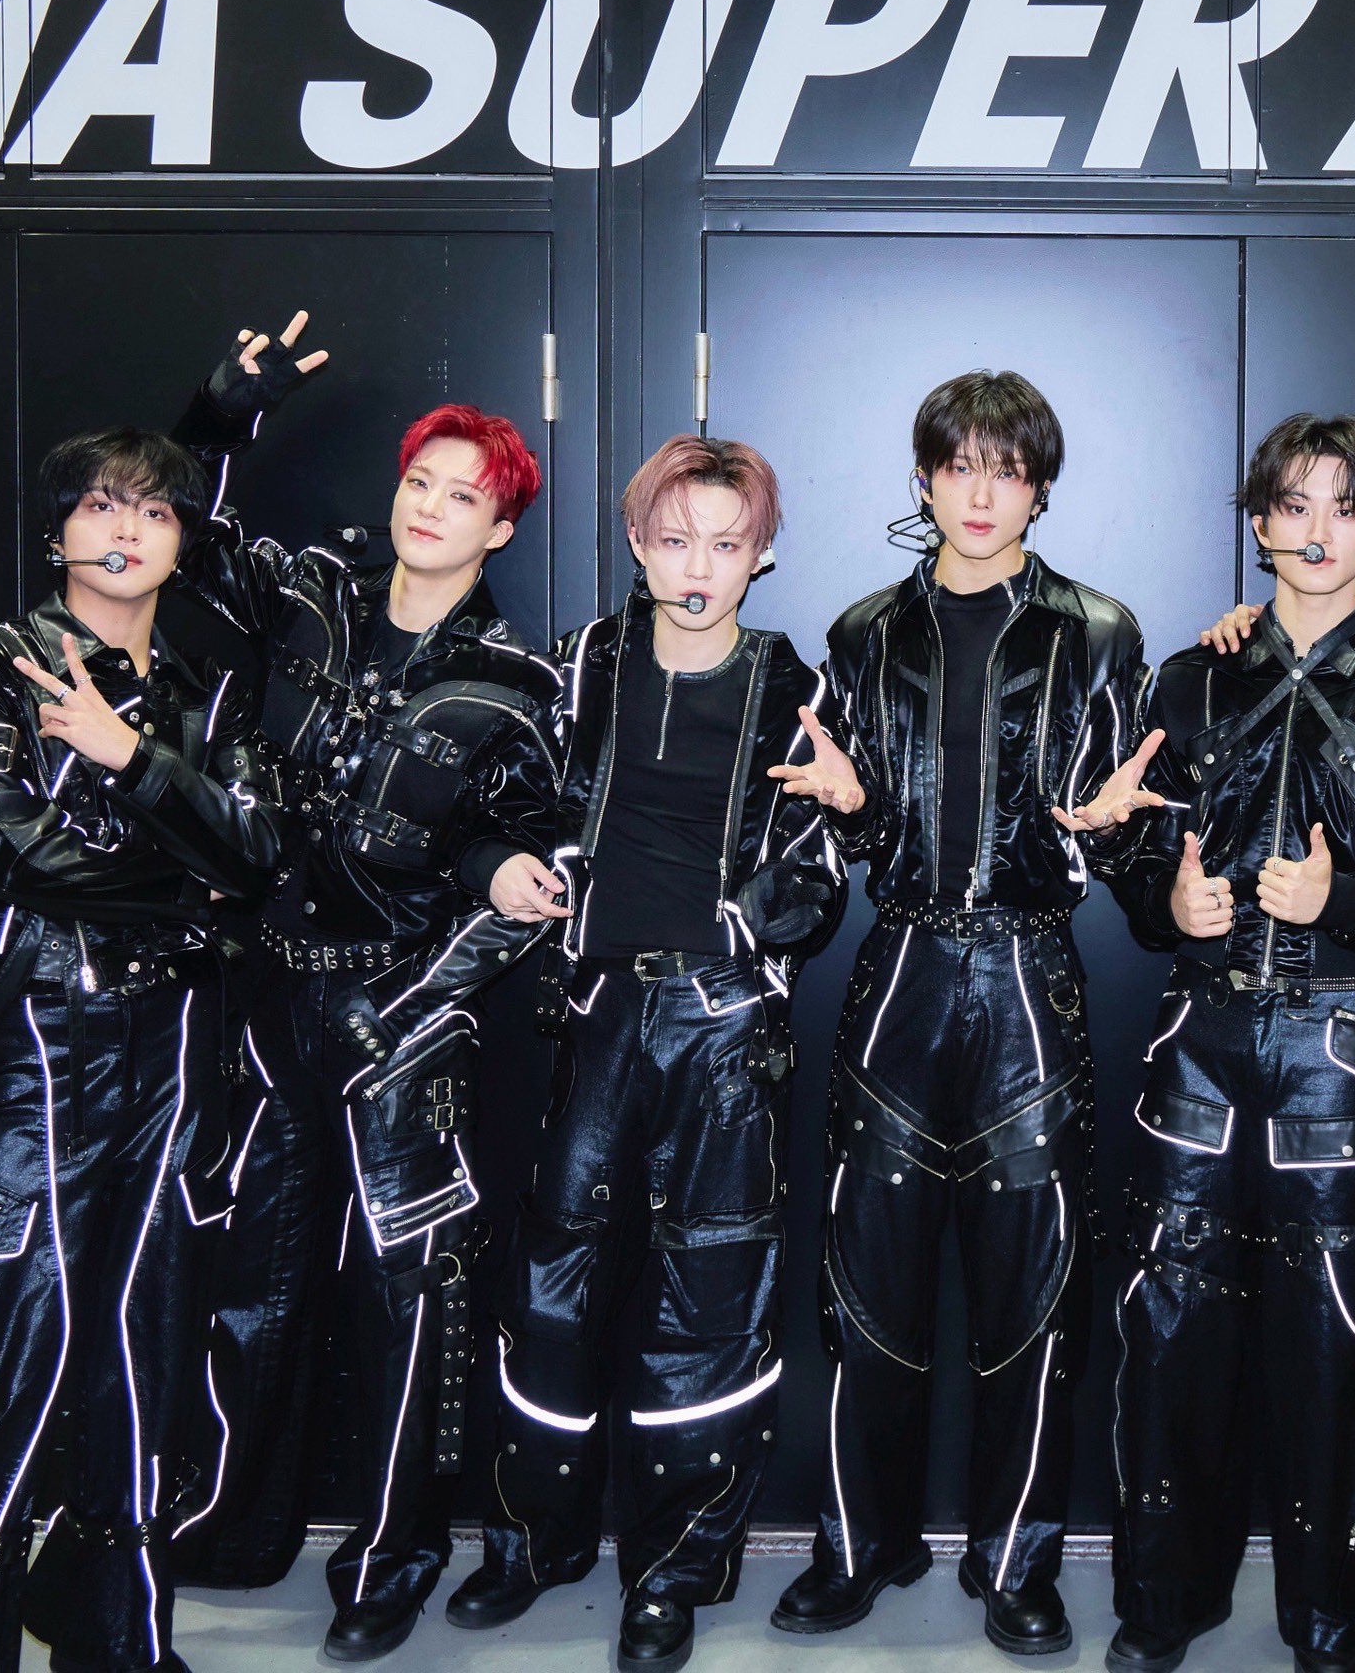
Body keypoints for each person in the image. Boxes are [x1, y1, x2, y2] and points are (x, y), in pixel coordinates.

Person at [0, 428, 286, 1673]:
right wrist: (191, 876)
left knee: (143, 1349)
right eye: (98, 504)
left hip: (173, 1049)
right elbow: (17, 854)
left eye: (153, 509)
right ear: (56, 533)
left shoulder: (209, 691)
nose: (125, 527)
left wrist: (131, 757)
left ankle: (113, 1637)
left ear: (183, 541)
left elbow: (260, 857)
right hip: (36, 1045)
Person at [160, 317, 567, 1663]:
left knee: (411, 1303)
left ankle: (392, 1560)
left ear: (501, 528)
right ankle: (229, 1526)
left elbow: (521, 849)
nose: (433, 508)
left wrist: (487, 893)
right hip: (269, 1004)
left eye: (466, 496)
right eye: (420, 482)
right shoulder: (311, 592)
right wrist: (220, 417)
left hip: (405, 1024)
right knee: (252, 1275)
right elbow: (181, 541)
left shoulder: (515, 682)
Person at [445, 436, 845, 1673]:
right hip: (595, 1011)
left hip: (724, 1026)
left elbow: (823, 877)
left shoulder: (795, 685)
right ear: (636, 542)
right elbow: (498, 807)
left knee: (707, 1302)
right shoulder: (583, 666)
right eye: (674, 539)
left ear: (761, 553)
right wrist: (502, 865)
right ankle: (534, 1539)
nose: (697, 566)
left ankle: (672, 1570)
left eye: (725, 543)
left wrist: (788, 880)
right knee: (550, 1286)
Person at [767, 370, 1148, 1657]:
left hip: (1031, 979)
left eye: (1007, 468)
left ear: (1039, 487)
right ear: (923, 479)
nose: (981, 492)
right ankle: (857, 1545)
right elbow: (854, 826)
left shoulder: (1099, 631)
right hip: (902, 972)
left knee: (1033, 1300)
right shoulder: (865, 631)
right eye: (958, 464)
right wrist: (850, 806)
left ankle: (1016, 1559)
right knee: (865, 1290)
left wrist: (1115, 833)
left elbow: (1128, 824)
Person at [1104, 414, 1355, 1673]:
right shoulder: (1188, 676)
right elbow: (1135, 844)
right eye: (1293, 504)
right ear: (1257, 520)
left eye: (1345, 506)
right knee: (1171, 1332)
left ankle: (1327, 1620)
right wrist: (1168, 901)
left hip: (1348, 1052)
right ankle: (1162, 1601)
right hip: (1199, 1039)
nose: (1317, 531)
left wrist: (1348, 901)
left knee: (1338, 1344)